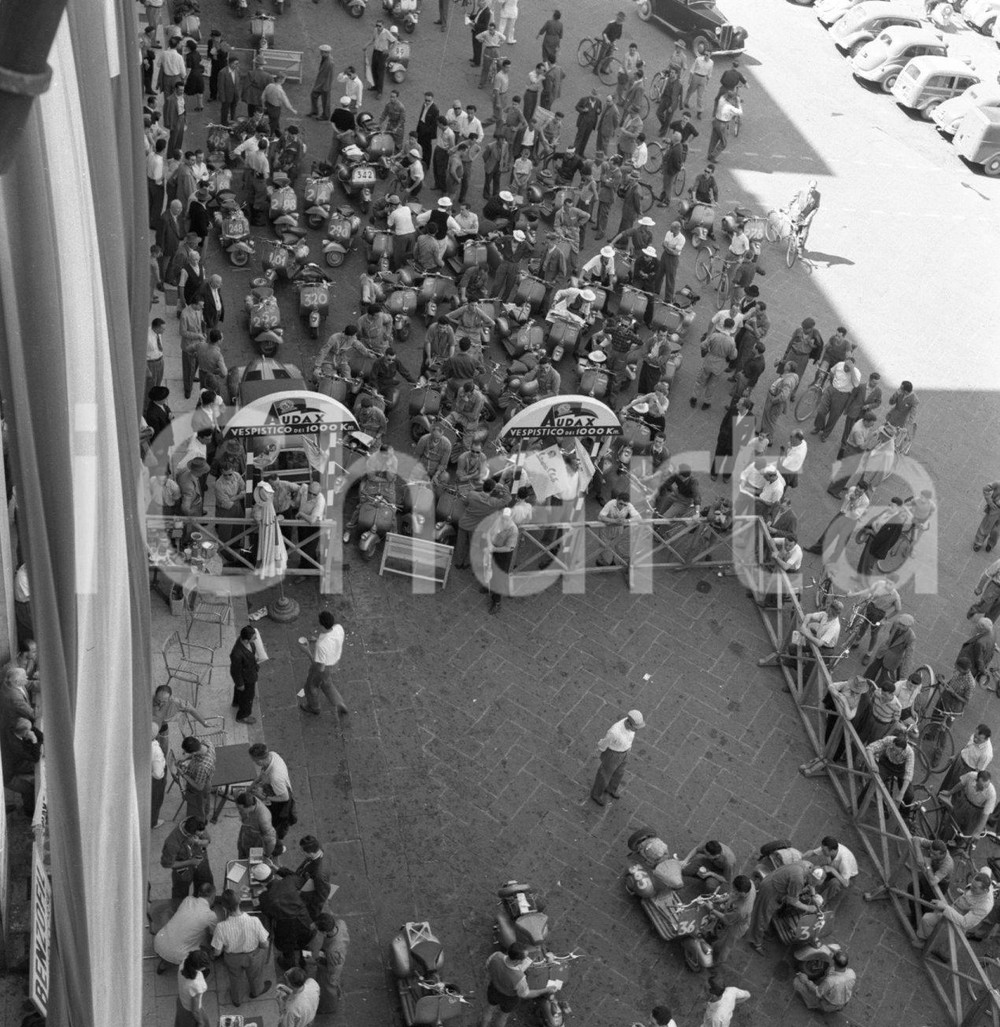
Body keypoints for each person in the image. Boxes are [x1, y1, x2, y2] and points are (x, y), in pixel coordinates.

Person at [212, 889, 273, 1006]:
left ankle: (236, 1000)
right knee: (256, 975)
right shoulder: (254, 921)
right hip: (253, 956)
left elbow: (217, 952)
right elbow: (265, 944)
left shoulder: (220, 927)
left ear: (224, 907)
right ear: (239, 902)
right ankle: (256, 991)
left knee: (235, 979)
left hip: (233, 959)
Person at [746, 859, 818, 951]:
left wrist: (813, 895)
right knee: (762, 917)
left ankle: (762, 929)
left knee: (766, 914)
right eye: (813, 883)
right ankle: (756, 942)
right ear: (810, 877)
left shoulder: (808, 866)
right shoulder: (798, 880)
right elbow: (792, 900)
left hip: (773, 880)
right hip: (770, 892)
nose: (813, 885)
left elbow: (812, 884)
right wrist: (808, 908)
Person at [481, 943, 559, 1027]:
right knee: (503, 1016)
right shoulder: (519, 978)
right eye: (524, 959)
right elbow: (526, 994)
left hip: (493, 989)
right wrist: (546, 990)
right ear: (517, 961)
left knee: (489, 1009)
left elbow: (487, 967)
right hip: (509, 999)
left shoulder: (495, 955)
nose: (525, 960)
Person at [258, 865, 316, 970]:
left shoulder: (265, 898)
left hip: (286, 930)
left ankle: (289, 965)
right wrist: (281, 871)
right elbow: (299, 879)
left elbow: (266, 912)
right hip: (304, 922)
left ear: (260, 882)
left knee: (287, 950)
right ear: (272, 874)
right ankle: (305, 962)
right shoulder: (289, 881)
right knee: (305, 943)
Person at [916, 872, 994, 950]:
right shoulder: (983, 882)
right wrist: (964, 894)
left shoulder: (984, 906)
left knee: (929, 921)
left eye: (975, 888)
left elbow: (965, 923)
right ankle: (927, 941)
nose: (971, 888)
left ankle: (931, 946)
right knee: (927, 920)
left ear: (985, 890)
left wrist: (946, 907)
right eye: (972, 885)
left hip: (959, 922)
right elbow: (986, 869)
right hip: (954, 910)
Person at [153, 882, 217, 970]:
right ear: (212, 897)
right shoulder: (211, 916)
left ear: (199, 893)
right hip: (179, 954)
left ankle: (164, 963)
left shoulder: (188, 900)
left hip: (159, 941)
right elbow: (214, 935)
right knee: (202, 951)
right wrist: (211, 949)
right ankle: (190, 969)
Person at [590, 709, 644, 805]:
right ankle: (596, 794)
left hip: (625, 752)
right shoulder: (614, 732)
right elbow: (604, 743)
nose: (637, 729)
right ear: (629, 723)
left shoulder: (631, 726)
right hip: (613, 755)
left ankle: (611, 788)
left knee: (619, 773)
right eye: (635, 727)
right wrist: (602, 752)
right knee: (604, 775)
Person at [249, 743, 294, 853]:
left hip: (279, 805)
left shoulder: (275, 776)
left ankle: (276, 848)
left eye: (254, 761)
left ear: (259, 761)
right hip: (273, 790)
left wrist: (264, 797)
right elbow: (263, 772)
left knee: (272, 828)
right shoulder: (272, 755)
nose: (254, 763)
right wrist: (254, 783)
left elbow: (284, 798)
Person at [161, 816, 213, 900]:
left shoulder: (197, 824)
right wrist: (190, 862)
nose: (202, 834)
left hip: (201, 862)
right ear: (190, 835)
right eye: (198, 835)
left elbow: (207, 841)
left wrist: (199, 842)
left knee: (206, 888)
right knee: (180, 895)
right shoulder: (172, 843)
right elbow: (167, 864)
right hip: (183, 868)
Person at [857, 496, 912, 577]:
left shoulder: (897, 522)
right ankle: (858, 576)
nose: (889, 507)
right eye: (889, 505)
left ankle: (864, 582)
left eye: (892, 506)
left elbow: (892, 539)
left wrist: (881, 546)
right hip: (872, 538)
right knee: (863, 559)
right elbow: (875, 519)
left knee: (869, 564)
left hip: (878, 544)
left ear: (898, 508)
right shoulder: (886, 512)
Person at [812, 358, 862, 441]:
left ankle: (825, 434)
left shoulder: (856, 373)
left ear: (853, 366)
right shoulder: (840, 365)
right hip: (831, 389)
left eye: (848, 367)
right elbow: (832, 372)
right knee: (821, 410)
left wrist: (852, 370)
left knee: (833, 416)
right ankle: (818, 427)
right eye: (845, 366)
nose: (845, 368)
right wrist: (832, 384)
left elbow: (856, 384)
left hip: (843, 395)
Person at [801, 836, 858, 906]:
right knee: (818, 870)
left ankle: (820, 903)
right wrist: (801, 856)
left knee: (834, 883)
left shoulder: (844, 860)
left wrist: (832, 870)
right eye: (821, 848)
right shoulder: (826, 847)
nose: (821, 851)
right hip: (832, 867)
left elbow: (846, 884)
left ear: (832, 851)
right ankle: (810, 887)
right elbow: (812, 852)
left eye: (824, 851)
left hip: (846, 876)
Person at [313, 912, 351, 1014]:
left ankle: (328, 1007)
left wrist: (315, 962)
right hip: (338, 957)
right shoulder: (340, 924)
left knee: (328, 988)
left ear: (325, 933)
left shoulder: (331, 951)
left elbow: (330, 969)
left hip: (331, 970)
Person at [865, 613, 916, 687]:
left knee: (883, 682)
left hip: (892, 660)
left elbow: (908, 656)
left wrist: (903, 676)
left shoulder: (911, 638)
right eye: (900, 624)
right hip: (882, 652)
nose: (900, 627)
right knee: (870, 672)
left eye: (903, 626)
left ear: (909, 626)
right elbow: (891, 633)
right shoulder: (896, 623)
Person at [940, 724, 994, 792]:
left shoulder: (986, 754)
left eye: (979, 739)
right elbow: (966, 746)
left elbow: (978, 771)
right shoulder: (976, 735)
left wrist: (970, 781)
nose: (975, 739)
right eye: (975, 736)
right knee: (947, 782)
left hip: (967, 770)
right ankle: (938, 796)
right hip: (959, 760)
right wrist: (956, 756)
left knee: (955, 789)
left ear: (986, 739)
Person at [294, 835, 334, 920]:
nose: (301, 852)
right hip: (312, 879)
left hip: (314, 891)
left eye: (303, 851)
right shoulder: (320, 850)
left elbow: (322, 896)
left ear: (311, 853)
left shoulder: (318, 875)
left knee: (312, 913)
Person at [227, 624, 260, 725]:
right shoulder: (237, 654)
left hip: (249, 672)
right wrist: (240, 683)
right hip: (246, 678)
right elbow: (235, 671)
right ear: (246, 640)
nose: (256, 638)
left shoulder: (244, 643)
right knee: (248, 697)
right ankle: (243, 716)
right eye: (254, 637)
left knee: (240, 693)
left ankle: (236, 702)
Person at [178, 735, 216, 821]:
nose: (184, 753)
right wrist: (185, 759)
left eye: (186, 752)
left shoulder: (202, 767)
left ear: (194, 753)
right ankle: (205, 813)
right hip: (205, 778)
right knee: (205, 800)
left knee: (198, 806)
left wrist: (184, 775)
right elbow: (195, 755)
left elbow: (199, 787)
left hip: (201, 786)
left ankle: (199, 822)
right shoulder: (206, 742)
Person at [175, 950, 212, 1027]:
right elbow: (195, 1010)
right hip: (189, 1012)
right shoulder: (196, 984)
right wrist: (201, 1022)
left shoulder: (184, 964)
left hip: (181, 1001)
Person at [235, 790, 276, 858]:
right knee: (241, 850)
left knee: (251, 860)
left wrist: (266, 855)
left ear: (249, 807)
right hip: (246, 831)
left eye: (241, 809)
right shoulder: (247, 798)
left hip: (256, 841)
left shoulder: (263, 819)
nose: (239, 811)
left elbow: (271, 841)